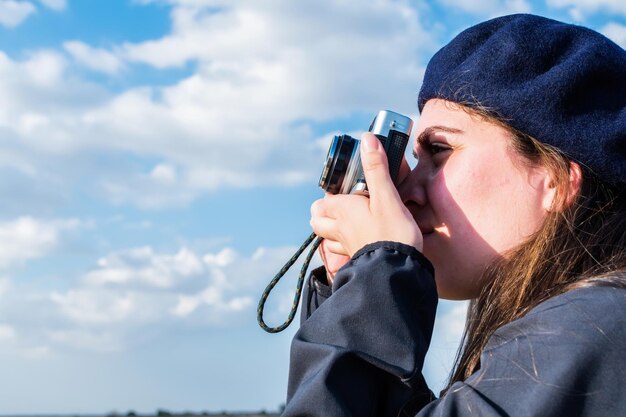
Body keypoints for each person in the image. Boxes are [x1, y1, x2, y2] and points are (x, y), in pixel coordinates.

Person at [282, 13, 626, 417]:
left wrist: (376, 280)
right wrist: (356, 288)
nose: (407, 194)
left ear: (555, 180)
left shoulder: (590, 330)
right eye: (414, 159)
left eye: (440, 151)